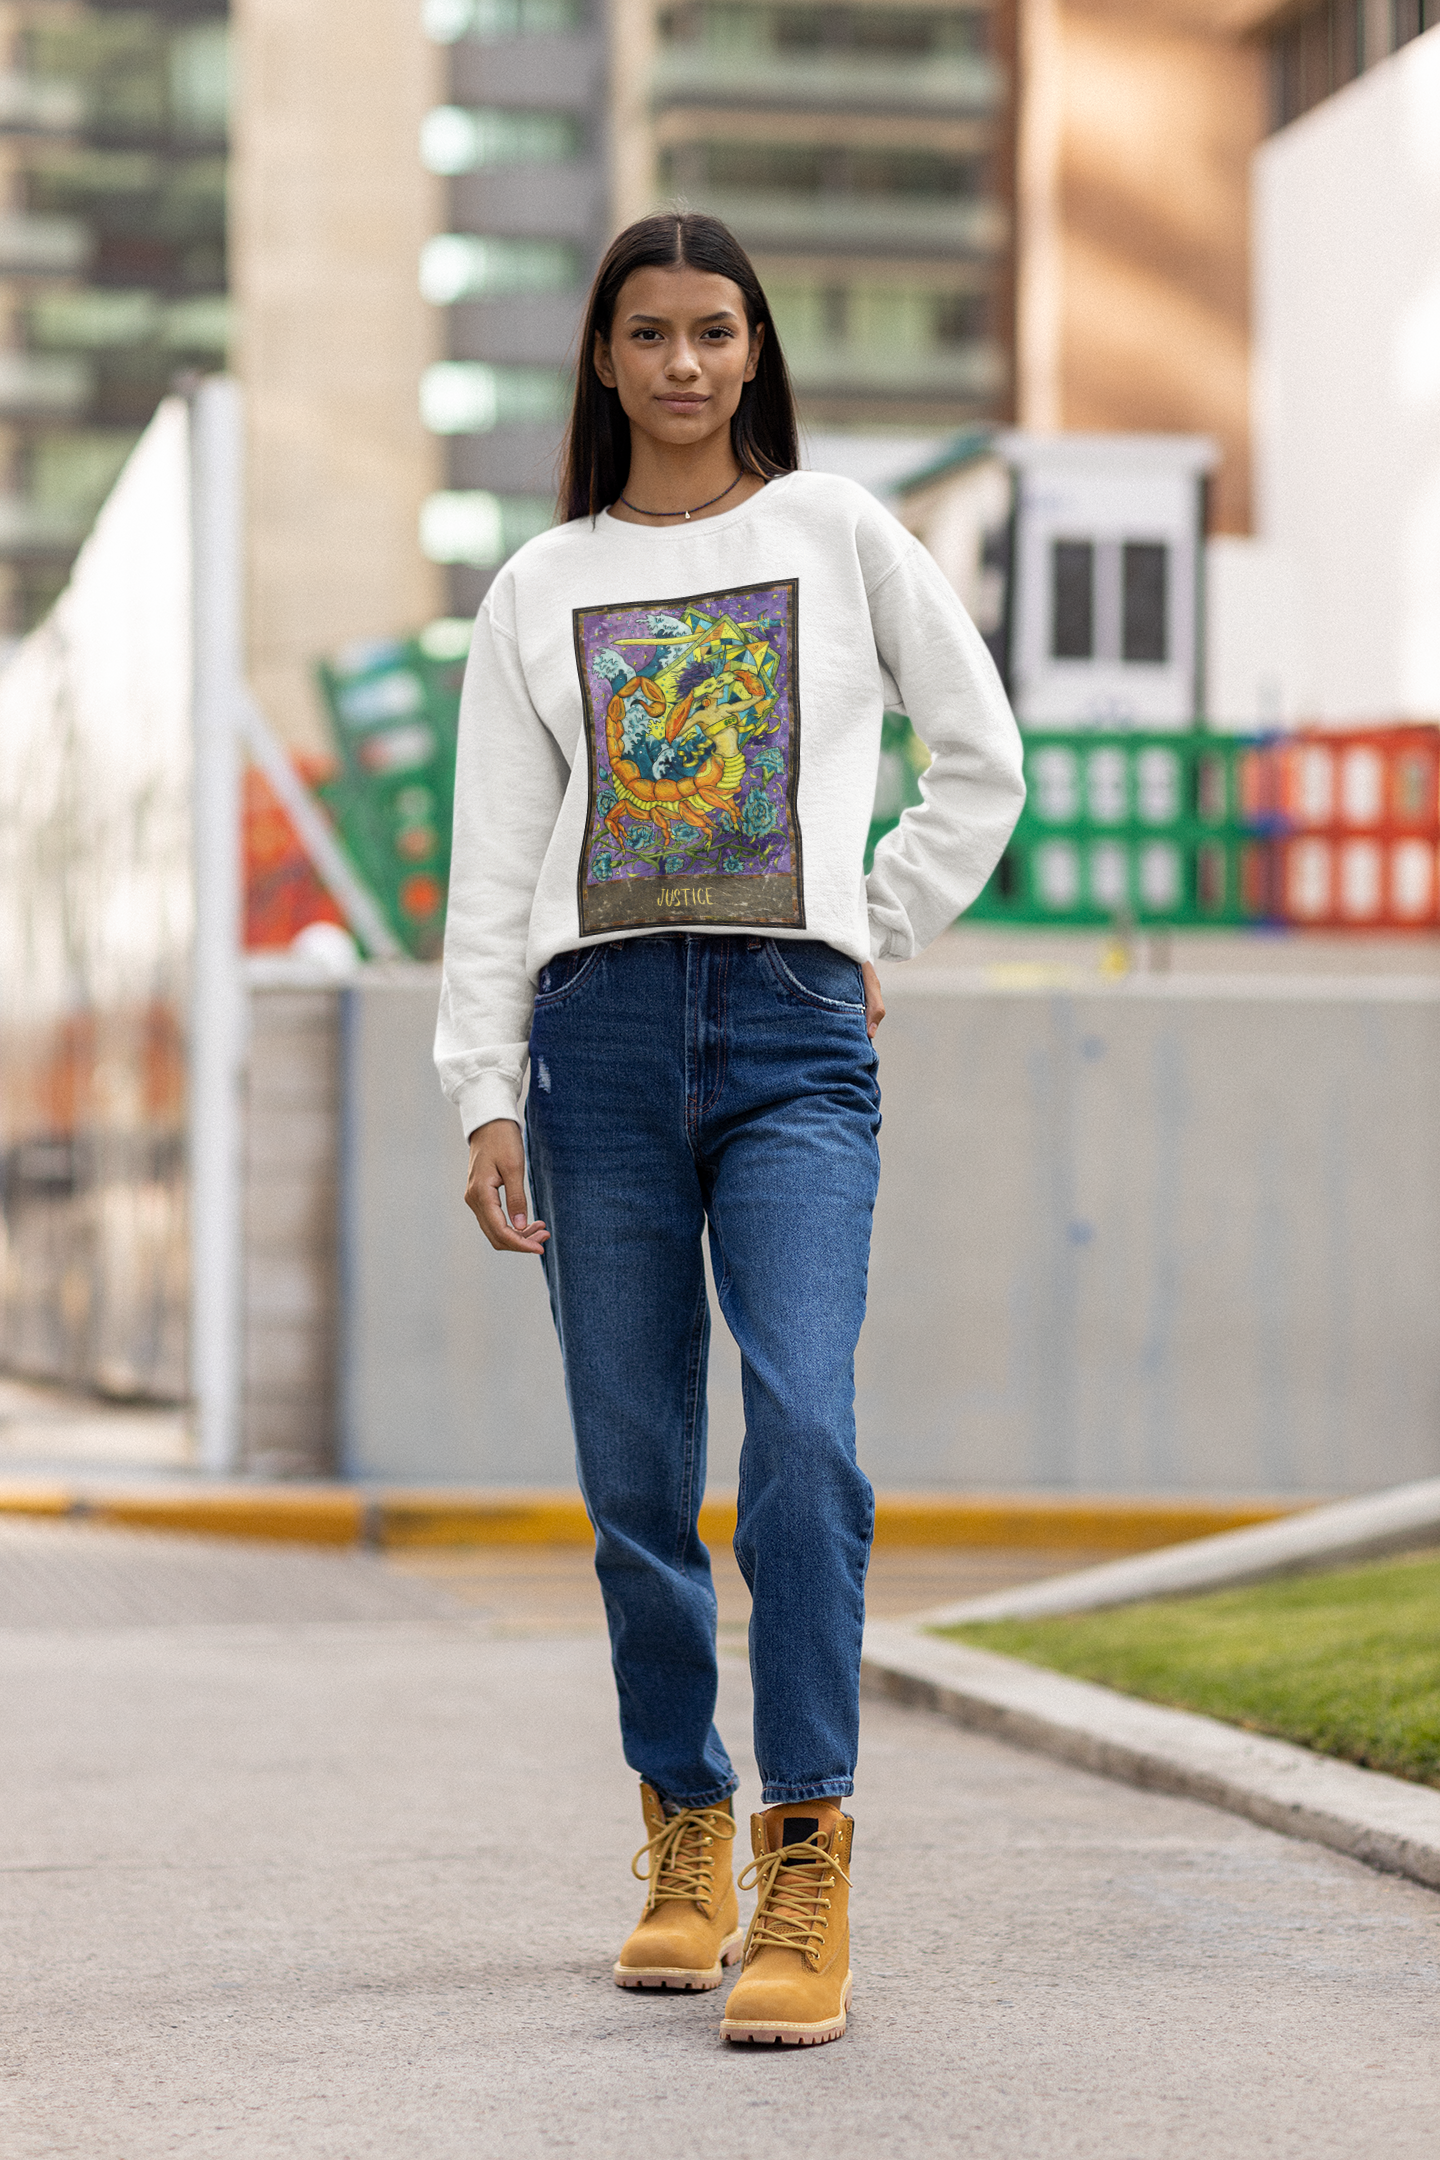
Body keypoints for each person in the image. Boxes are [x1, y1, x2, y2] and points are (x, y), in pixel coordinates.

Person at [435, 211, 1024, 2048]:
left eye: (715, 331)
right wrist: (483, 1088)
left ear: (755, 350)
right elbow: (489, 864)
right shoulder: (542, 584)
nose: (683, 365)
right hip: (595, 1043)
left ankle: (806, 1848)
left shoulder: (838, 533)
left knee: (802, 1436)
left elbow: (980, 754)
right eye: (648, 334)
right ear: (602, 362)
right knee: (631, 1478)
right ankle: (683, 1829)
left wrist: (878, 925)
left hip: (786, 1039)